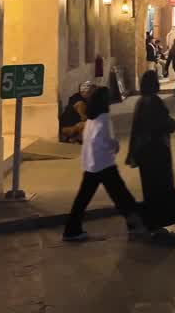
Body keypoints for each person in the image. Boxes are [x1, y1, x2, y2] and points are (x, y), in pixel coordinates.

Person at [62, 88, 145, 242]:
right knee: (121, 195)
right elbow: (105, 141)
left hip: (91, 164)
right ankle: (136, 224)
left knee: (86, 198)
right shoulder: (104, 118)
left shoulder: (91, 118)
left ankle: (71, 229)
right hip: (104, 164)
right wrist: (115, 146)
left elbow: (90, 139)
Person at [127, 70, 175, 243]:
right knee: (159, 189)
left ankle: (147, 224)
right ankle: (155, 227)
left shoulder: (141, 102)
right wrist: (171, 123)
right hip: (156, 152)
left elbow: (136, 129)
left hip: (145, 152)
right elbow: (163, 124)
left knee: (151, 189)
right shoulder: (154, 102)